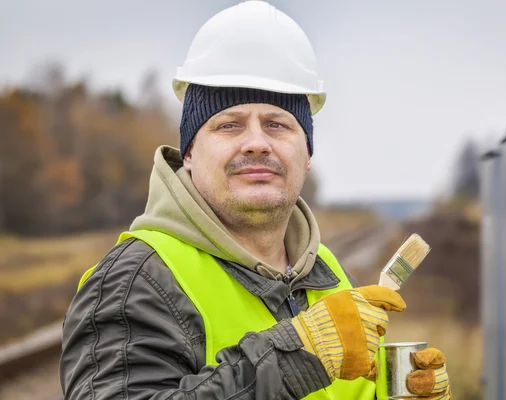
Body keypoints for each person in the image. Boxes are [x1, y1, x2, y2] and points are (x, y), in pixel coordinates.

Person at [59, 1, 451, 399]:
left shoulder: (326, 273)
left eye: (277, 125)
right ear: (190, 153)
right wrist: (290, 361)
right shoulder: (136, 282)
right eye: (229, 125)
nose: (256, 143)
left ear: (307, 155)